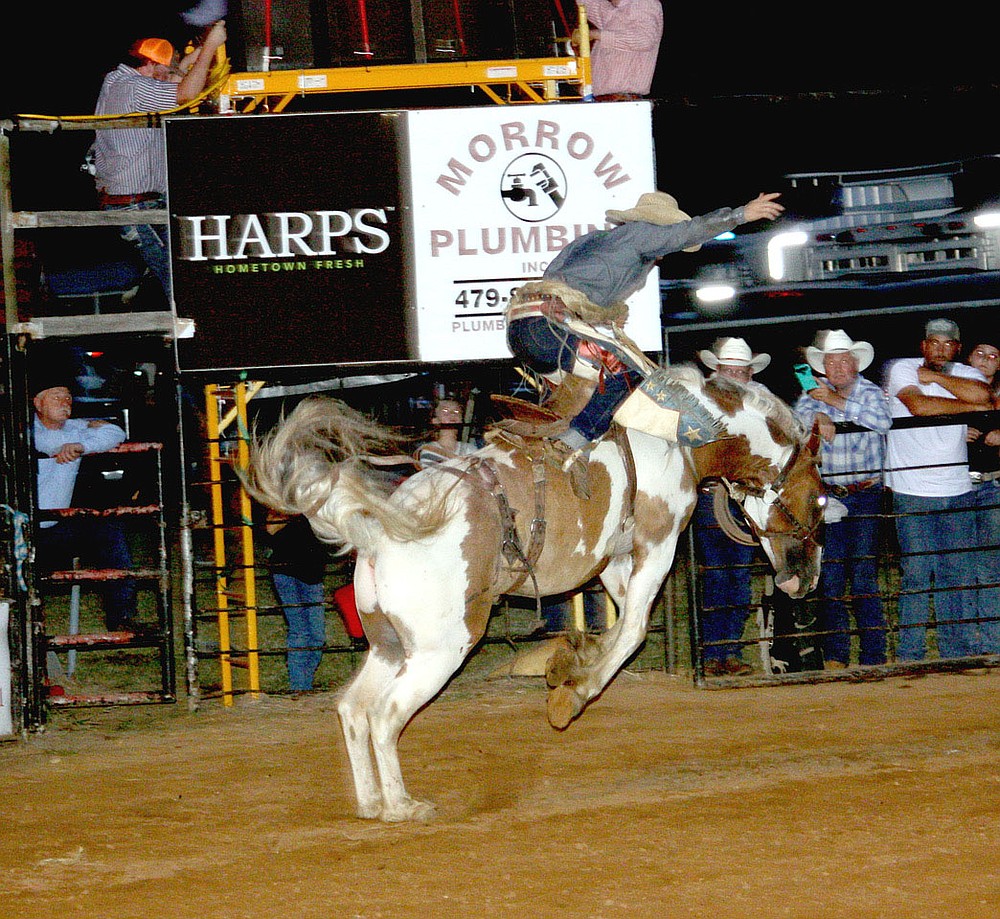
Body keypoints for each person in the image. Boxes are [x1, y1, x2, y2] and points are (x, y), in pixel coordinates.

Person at [505, 190, 785, 495]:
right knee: (626, 373)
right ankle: (571, 443)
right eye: (664, 242)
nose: (663, 253)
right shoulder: (642, 235)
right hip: (547, 330)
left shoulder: (597, 242)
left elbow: (558, 278)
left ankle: (553, 435)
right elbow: (685, 233)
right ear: (659, 227)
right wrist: (741, 214)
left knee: (586, 387)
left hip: (524, 330)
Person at [92, 21, 228, 300]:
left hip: (141, 201)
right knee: (175, 275)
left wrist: (195, 56)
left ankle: (166, 315)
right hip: (133, 205)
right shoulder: (134, 88)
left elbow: (171, 83)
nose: (170, 75)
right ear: (150, 66)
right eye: (164, 70)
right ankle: (183, 330)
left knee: (177, 268)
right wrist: (211, 47)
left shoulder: (119, 80)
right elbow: (184, 93)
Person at [884, 318, 992, 661]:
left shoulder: (966, 374)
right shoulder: (903, 367)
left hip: (957, 487)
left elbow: (983, 395)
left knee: (955, 575)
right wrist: (972, 408)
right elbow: (918, 407)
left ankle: (954, 653)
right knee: (917, 576)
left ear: (957, 348)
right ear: (923, 345)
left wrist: (934, 378)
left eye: (948, 344)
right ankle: (910, 656)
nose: (940, 349)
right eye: (934, 342)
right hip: (911, 488)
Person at [793, 329, 892, 668]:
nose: (836, 367)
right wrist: (817, 415)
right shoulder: (812, 394)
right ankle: (836, 655)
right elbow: (796, 422)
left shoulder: (870, 391)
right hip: (828, 498)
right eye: (829, 361)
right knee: (831, 579)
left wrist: (832, 404)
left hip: (865, 495)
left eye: (841, 361)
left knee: (863, 575)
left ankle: (873, 655)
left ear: (854, 363)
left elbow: (882, 420)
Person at [32, 371, 140, 633]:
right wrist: (85, 439)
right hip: (26, 528)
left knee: (109, 530)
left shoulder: (74, 429)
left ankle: (122, 616)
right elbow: (47, 443)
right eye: (56, 396)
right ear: (38, 403)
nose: (65, 402)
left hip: (57, 526)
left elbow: (117, 432)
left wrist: (80, 444)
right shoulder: (23, 428)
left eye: (68, 397)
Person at [692, 337, 771, 676]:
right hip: (713, 495)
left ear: (750, 373)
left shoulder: (762, 400)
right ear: (718, 370)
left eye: (742, 371)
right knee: (717, 576)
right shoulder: (700, 399)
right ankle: (714, 652)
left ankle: (728, 651)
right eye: (730, 371)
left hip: (744, 496)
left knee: (736, 577)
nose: (736, 377)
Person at [962, 341, 1000, 654]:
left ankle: (990, 642)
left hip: (992, 485)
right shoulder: (951, 393)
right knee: (961, 566)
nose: (985, 361)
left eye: (993, 356)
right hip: (955, 486)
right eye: (979, 354)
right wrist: (952, 430)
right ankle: (965, 641)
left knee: (989, 566)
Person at [265, 511, 329, 692]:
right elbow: (270, 529)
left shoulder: (319, 507)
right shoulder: (286, 504)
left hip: (311, 574)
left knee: (316, 635)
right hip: (287, 572)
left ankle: (303, 685)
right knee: (301, 630)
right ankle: (300, 687)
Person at [576, 0, 663, 101]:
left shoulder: (644, 3)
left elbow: (644, 40)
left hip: (622, 100)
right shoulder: (614, 11)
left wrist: (596, 34)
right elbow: (589, 3)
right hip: (603, 100)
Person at [415, 397, 479, 467]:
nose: (452, 414)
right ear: (435, 420)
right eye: (445, 411)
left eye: (457, 411)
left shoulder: (470, 449)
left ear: (461, 420)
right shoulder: (430, 450)